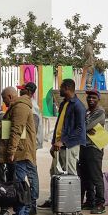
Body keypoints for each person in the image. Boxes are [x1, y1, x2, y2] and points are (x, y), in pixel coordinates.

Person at [40, 79, 86, 208]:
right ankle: (54, 199)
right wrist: (54, 143)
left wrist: (63, 141)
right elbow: (59, 125)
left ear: (66, 88)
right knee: (54, 172)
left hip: (70, 146)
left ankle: (72, 203)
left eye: (60, 88)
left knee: (71, 174)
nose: (59, 90)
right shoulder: (64, 104)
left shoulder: (78, 106)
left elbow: (80, 129)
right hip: (59, 145)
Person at [0, 87, 37, 215]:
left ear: (9, 96)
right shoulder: (20, 105)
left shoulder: (20, 107)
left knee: (19, 187)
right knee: (20, 186)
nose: (4, 103)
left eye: (4, 99)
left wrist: (10, 151)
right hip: (20, 151)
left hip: (21, 152)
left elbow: (16, 129)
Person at [80, 89, 106, 214]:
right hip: (84, 146)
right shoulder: (86, 112)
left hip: (95, 147)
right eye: (89, 97)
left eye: (94, 97)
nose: (91, 99)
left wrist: (83, 127)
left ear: (98, 99)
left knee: (96, 176)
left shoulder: (100, 112)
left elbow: (85, 126)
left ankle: (100, 203)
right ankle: (90, 201)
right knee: (85, 175)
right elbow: (82, 126)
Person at [18, 82, 42, 213]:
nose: (20, 93)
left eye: (22, 90)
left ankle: (32, 203)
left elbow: (32, 129)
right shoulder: (28, 105)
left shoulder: (32, 108)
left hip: (29, 145)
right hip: (28, 144)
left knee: (31, 173)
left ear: (28, 91)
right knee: (29, 173)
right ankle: (28, 202)